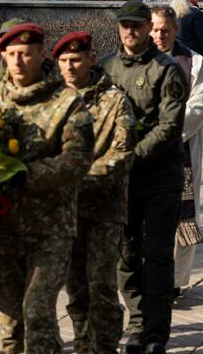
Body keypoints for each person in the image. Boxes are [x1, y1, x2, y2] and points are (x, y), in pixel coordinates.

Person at [0, 24, 93, 354]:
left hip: (51, 229)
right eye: (12, 54)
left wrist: (24, 174)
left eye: (26, 54)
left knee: (38, 314)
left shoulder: (67, 103)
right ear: (3, 55)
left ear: (41, 56)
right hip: (3, 230)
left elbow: (77, 162)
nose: (18, 61)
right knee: (10, 325)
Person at [101, 0, 188, 354]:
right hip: (121, 181)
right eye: (125, 25)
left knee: (157, 254)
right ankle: (137, 322)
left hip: (159, 176)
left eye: (137, 25)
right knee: (126, 253)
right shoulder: (106, 68)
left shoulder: (167, 70)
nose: (131, 31)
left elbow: (169, 126)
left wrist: (131, 156)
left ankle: (155, 333)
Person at [54, 31, 135, 354]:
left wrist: (75, 178)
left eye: (76, 59)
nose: (70, 67)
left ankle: (106, 347)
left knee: (101, 287)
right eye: (63, 61)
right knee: (75, 290)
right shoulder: (52, 100)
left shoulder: (114, 100)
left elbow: (122, 153)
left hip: (104, 211)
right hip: (64, 213)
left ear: (91, 59)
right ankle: (85, 345)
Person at [150, 6, 203, 292]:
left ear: (176, 30)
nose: (159, 35)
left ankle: (175, 280)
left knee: (182, 214)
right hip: (143, 151)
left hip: (180, 147)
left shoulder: (194, 62)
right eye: (154, 30)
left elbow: (199, 105)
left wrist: (165, 132)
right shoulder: (135, 61)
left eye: (165, 30)